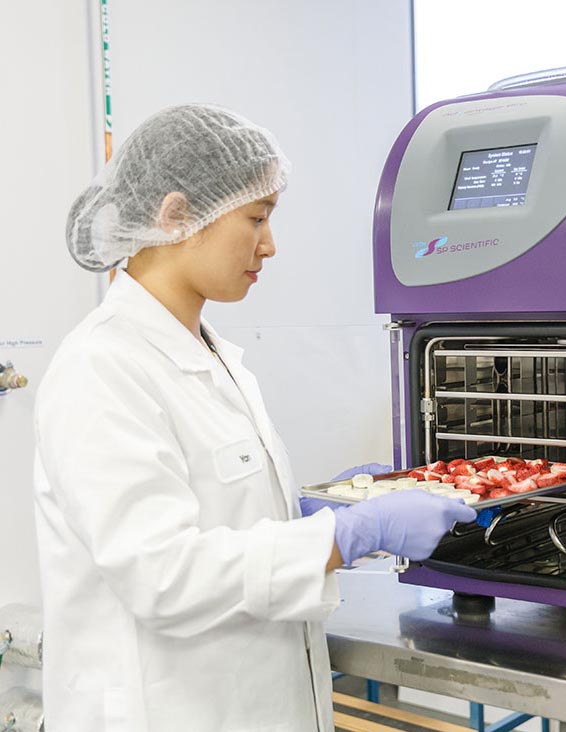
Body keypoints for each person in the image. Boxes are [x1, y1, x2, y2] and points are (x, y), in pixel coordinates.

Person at [33, 104, 477, 732]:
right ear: (177, 215)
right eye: (257, 218)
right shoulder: (102, 368)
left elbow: (212, 513)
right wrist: (347, 536)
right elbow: (162, 575)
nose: (269, 244)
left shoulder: (210, 354)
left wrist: (310, 510)